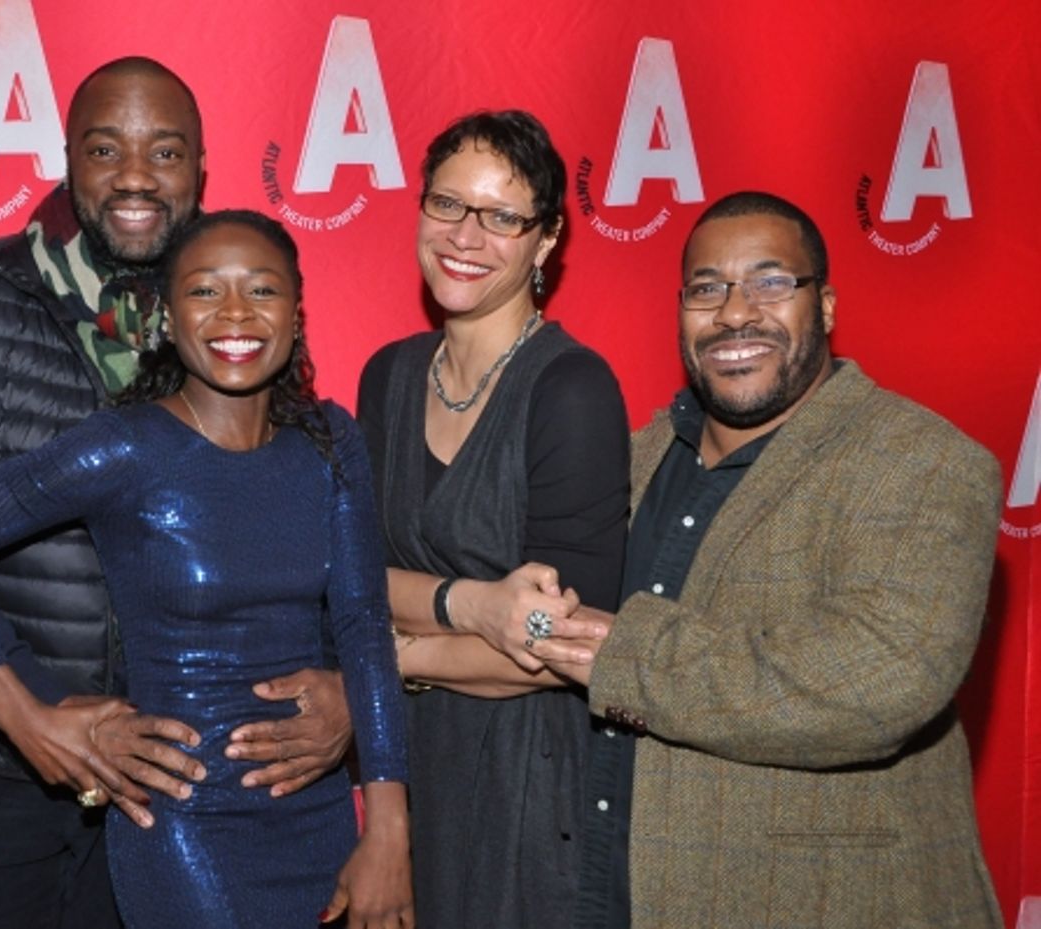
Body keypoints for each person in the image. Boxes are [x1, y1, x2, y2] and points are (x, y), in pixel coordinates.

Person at [0, 59, 352, 929]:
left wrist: (347, 687)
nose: (133, 178)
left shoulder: (228, 326)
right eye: (104, 149)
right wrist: (32, 710)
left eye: (164, 152)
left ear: (201, 167)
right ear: (68, 161)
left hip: (183, 794)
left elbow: (294, 535)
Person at [531, 191, 1004, 928]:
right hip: (612, 896)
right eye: (706, 288)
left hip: (823, 902)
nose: (734, 312)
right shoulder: (628, 458)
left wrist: (621, 654)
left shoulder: (923, 461)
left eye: (771, 282)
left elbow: (876, 680)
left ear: (828, 306)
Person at [355, 110, 629, 927]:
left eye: (502, 216)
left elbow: (557, 642)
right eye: (448, 204)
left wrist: (395, 656)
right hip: (403, 765)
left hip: (527, 786)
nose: (466, 235)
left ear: (545, 243)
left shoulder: (571, 390)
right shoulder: (388, 377)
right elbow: (347, 577)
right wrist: (473, 607)